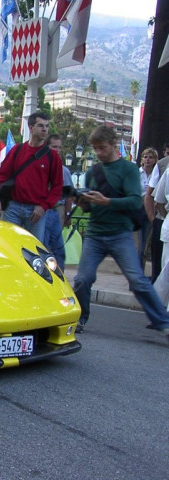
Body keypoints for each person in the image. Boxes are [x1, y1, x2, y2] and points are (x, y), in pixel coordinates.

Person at [72, 125, 169, 339]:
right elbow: (90, 205)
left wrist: (107, 201)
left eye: (102, 148)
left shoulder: (129, 170)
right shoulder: (93, 172)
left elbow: (135, 200)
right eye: (95, 149)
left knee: (137, 279)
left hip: (120, 233)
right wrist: (83, 201)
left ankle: (163, 321)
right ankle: (80, 318)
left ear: (113, 145)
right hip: (95, 233)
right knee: (82, 279)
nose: (98, 152)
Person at [0, 112, 63, 243]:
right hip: (13, 208)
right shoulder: (17, 150)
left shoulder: (52, 156)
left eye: (47, 126)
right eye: (40, 126)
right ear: (31, 127)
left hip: (36, 211)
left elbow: (57, 186)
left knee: (33, 250)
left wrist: (43, 206)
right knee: (7, 246)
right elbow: (2, 175)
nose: (45, 129)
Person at [42, 134, 73, 270]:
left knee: (57, 247)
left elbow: (69, 195)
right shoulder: (40, 166)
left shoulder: (63, 170)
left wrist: (67, 214)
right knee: (42, 246)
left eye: (59, 147)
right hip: (41, 209)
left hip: (56, 209)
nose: (57, 150)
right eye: (54, 147)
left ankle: (59, 277)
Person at [143, 142, 169, 282]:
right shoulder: (162, 165)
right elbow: (150, 195)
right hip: (163, 219)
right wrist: (154, 218)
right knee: (159, 262)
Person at [137, 147, 158, 269]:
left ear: (155, 160)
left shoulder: (157, 174)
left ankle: (141, 271)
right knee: (138, 245)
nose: (148, 160)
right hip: (138, 210)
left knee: (145, 244)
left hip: (150, 209)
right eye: (145, 157)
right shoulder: (137, 174)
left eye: (151, 157)